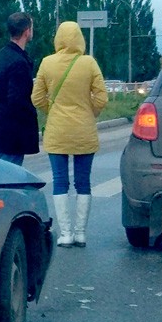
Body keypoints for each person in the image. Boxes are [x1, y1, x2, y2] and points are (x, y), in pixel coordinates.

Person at [32, 21, 109, 247]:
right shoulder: (89, 63)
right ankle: (80, 233)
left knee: (59, 181)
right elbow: (102, 98)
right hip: (84, 130)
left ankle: (65, 234)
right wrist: (89, 112)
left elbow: (37, 98)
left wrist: (53, 110)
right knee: (83, 182)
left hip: (57, 131)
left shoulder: (47, 63)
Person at [0, 12, 38, 165]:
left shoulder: (2, 54)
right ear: (27, 31)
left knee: (4, 170)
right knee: (10, 174)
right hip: (13, 132)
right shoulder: (19, 62)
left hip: (1, 127)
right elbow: (17, 100)